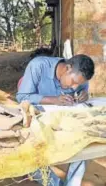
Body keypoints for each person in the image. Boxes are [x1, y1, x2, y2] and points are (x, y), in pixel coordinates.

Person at [16, 54, 95, 186]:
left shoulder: (80, 76)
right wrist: (54, 100)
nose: (75, 87)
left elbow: (82, 91)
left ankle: (72, 183)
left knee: (87, 141)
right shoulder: (39, 66)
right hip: (38, 122)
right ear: (67, 68)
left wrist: (84, 96)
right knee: (30, 153)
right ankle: (54, 183)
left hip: (65, 122)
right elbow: (22, 97)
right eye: (74, 82)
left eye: (79, 84)